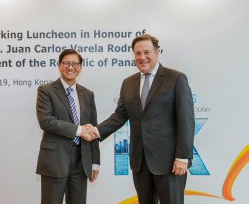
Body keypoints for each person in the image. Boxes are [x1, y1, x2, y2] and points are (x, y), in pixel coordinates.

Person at [89, 34, 194, 204]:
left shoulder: (176, 79)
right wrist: (95, 131)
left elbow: (186, 120)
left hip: (169, 163)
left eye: (147, 52)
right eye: (137, 53)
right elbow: (119, 116)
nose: (142, 57)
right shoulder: (128, 83)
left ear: (157, 52)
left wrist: (182, 157)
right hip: (140, 162)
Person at [36, 49, 100, 204]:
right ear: (59, 65)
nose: (70, 67)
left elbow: (93, 127)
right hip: (55, 159)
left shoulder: (88, 94)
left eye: (75, 63)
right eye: (66, 63)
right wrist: (79, 130)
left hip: (81, 160)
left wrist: (95, 162)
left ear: (81, 67)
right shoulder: (46, 90)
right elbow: (46, 121)